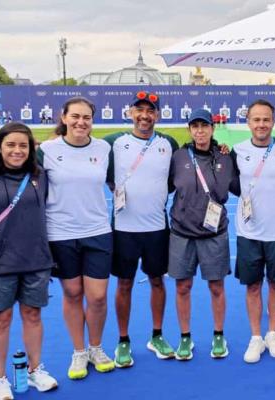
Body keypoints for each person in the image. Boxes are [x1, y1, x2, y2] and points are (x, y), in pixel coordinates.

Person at [0, 122, 59, 399]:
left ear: (31, 148)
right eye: (10, 144)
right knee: (1, 320)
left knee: (33, 315)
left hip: (36, 259)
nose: (17, 150)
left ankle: (35, 370)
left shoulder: (41, 176)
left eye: (23, 145)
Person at [39, 97, 116, 378]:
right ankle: (79, 351)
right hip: (60, 233)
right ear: (63, 117)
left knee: (97, 297)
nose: (81, 122)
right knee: (72, 294)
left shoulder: (104, 148)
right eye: (75, 116)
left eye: (86, 117)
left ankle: (96, 347)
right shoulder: (46, 150)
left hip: (97, 232)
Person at [104, 91, 179, 366]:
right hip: (124, 227)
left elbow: (175, 178)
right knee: (123, 283)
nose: (145, 116)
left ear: (157, 115)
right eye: (140, 110)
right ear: (130, 112)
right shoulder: (114, 142)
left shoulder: (168, 143)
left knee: (158, 281)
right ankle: (123, 341)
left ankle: (157, 335)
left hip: (157, 227)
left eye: (150, 111)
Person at [167, 108, 239, 360]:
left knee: (217, 286)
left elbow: (242, 186)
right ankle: (185, 337)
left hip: (214, 233)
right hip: (182, 233)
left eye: (204, 126)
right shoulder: (177, 157)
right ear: (189, 130)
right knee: (183, 286)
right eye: (195, 126)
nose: (200, 131)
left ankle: (218, 335)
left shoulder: (226, 157)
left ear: (212, 128)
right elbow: (162, 186)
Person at [230, 99, 275, 363]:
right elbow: (233, 184)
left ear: (273, 122)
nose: (261, 124)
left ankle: (273, 333)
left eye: (266, 119)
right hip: (249, 231)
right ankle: (256, 337)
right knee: (253, 285)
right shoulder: (237, 150)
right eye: (256, 119)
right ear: (248, 122)